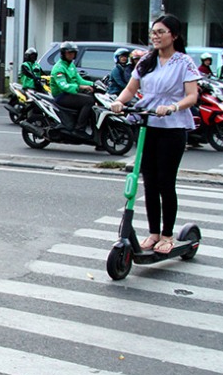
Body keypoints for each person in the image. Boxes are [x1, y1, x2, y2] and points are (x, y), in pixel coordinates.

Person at [110, 14, 199, 255]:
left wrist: (173, 107)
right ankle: (153, 233)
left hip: (173, 127)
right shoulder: (146, 61)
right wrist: (119, 102)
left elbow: (192, 96)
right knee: (149, 181)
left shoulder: (184, 62)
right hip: (148, 123)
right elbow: (131, 89)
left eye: (161, 32)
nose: (155, 36)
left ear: (174, 35)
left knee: (165, 182)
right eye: (153, 32)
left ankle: (168, 235)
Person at [49, 41, 96, 137]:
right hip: (61, 95)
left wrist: (94, 84)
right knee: (89, 101)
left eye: (73, 53)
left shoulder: (71, 65)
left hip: (70, 93)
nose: (71, 55)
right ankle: (79, 129)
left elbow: (79, 80)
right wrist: (80, 87)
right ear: (63, 54)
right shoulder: (58, 68)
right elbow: (64, 86)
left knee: (92, 97)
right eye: (69, 53)